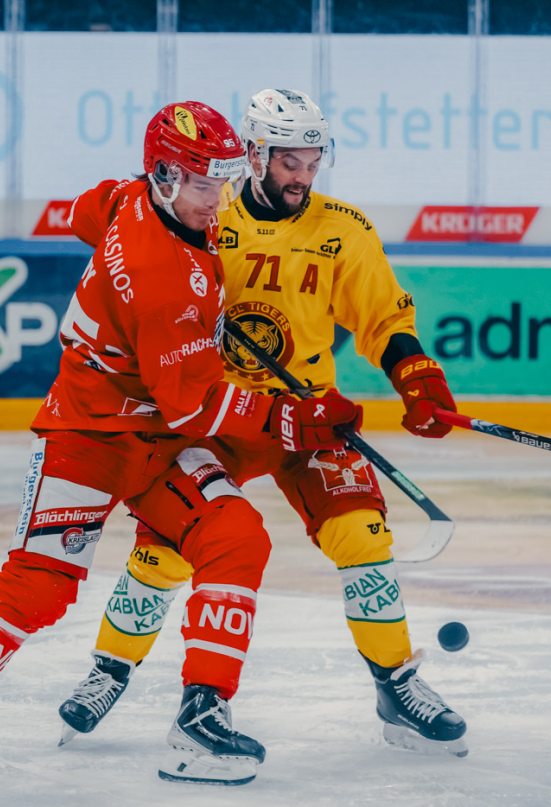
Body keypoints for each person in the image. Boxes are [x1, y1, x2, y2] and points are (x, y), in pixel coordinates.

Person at [0, 103, 361, 785]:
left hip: (158, 438)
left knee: (237, 538)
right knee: (41, 584)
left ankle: (202, 716)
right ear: (165, 177)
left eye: (223, 180)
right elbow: (195, 405)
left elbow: (85, 210)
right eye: (203, 183)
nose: (218, 199)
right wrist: (292, 420)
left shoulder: (126, 197)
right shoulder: (164, 283)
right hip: (91, 437)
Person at [56, 89, 467, 758]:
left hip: (310, 418)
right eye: (289, 163)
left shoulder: (343, 229)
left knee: (362, 535)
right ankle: (110, 670)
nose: (303, 177)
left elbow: (383, 317)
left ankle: (396, 684)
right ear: (253, 154)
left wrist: (416, 376)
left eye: (313, 162)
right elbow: (123, 221)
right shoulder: (205, 213)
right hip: (219, 417)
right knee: (167, 548)